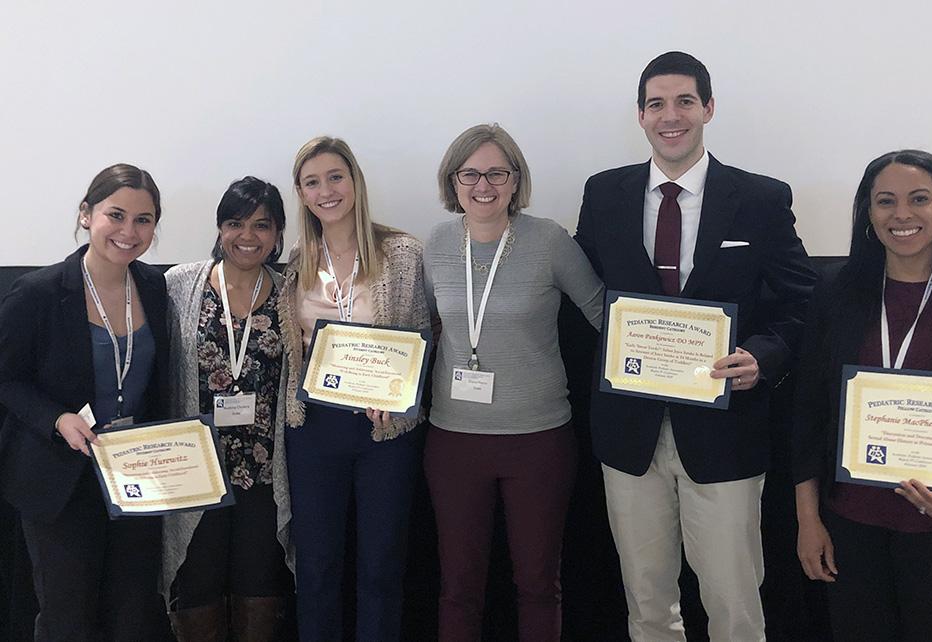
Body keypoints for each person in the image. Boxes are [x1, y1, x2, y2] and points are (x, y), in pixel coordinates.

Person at [574, 51, 817, 641]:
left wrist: (765, 355)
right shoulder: (604, 194)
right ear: (640, 116)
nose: (670, 116)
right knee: (647, 603)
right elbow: (585, 300)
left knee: (733, 603)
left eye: (685, 101)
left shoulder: (759, 199)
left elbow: (802, 301)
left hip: (726, 433)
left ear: (708, 108)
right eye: (656, 104)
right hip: (630, 434)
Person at [791, 150, 932, 642]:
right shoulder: (836, 292)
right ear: (868, 213)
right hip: (852, 522)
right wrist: (807, 519)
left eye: (919, 199)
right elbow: (808, 411)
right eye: (885, 201)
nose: (902, 215)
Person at [423, 123, 604, 642]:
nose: (484, 184)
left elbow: (600, 313)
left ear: (515, 178)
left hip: (539, 441)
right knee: (458, 586)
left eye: (497, 172)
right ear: (453, 181)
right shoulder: (434, 245)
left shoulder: (549, 241)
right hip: (454, 441)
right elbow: (418, 333)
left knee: (538, 584)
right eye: (470, 173)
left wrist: (672, 357)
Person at [0, 164, 172, 640]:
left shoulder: (155, 287)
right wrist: (57, 418)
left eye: (144, 220)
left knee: (131, 613)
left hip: (135, 480)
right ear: (85, 214)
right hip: (61, 480)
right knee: (67, 618)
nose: (128, 231)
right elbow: (7, 378)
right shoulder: (39, 292)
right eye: (115, 215)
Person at [279, 136, 429, 641]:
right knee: (318, 569)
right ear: (300, 193)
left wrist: (399, 400)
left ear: (355, 181)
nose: (326, 191)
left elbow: (423, 335)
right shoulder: (296, 262)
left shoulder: (403, 253)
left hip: (384, 433)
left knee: (381, 569)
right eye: (312, 182)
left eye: (335, 177)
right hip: (313, 430)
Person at [162, 176, 294, 640]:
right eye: (235, 223)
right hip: (196, 470)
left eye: (262, 225)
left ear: (278, 233)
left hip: (262, 470)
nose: (248, 236)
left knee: (259, 583)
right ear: (220, 228)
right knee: (196, 583)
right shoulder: (180, 284)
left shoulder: (291, 293)